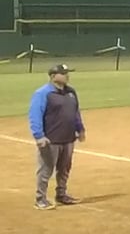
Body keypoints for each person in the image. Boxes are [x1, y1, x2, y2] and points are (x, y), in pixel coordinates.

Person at [28, 64, 86, 210]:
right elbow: (35, 115)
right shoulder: (43, 93)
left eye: (67, 73)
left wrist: (80, 128)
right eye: (63, 73)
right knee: (46, 170)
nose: (67, 76)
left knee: (64, 168)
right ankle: (40, 199)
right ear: (53, 76)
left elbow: (75, 112)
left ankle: (61, 194)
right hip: (50, 139)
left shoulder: (71, 92)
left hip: (68, 137)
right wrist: (39, 136)